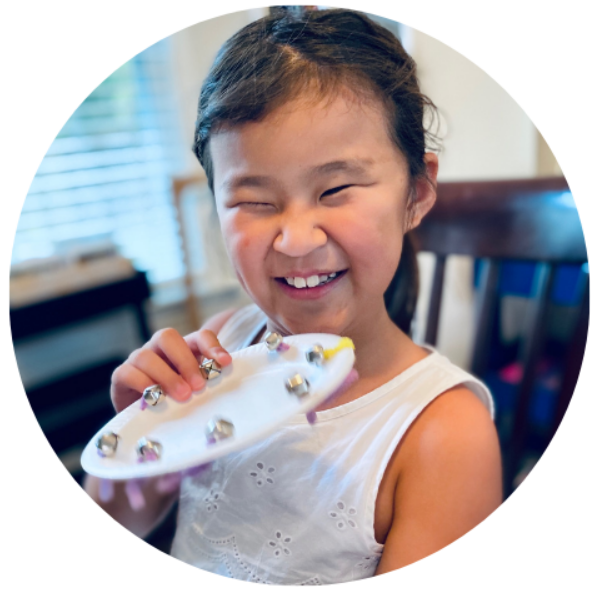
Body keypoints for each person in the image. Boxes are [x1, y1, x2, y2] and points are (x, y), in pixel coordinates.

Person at [84, 8, 502, 583]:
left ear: (417, 193)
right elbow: (114, 524)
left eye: (335, 189)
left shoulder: (446, 435)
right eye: (254, 201)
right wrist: (136, 449)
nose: (297, 239)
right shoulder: (226, 342)